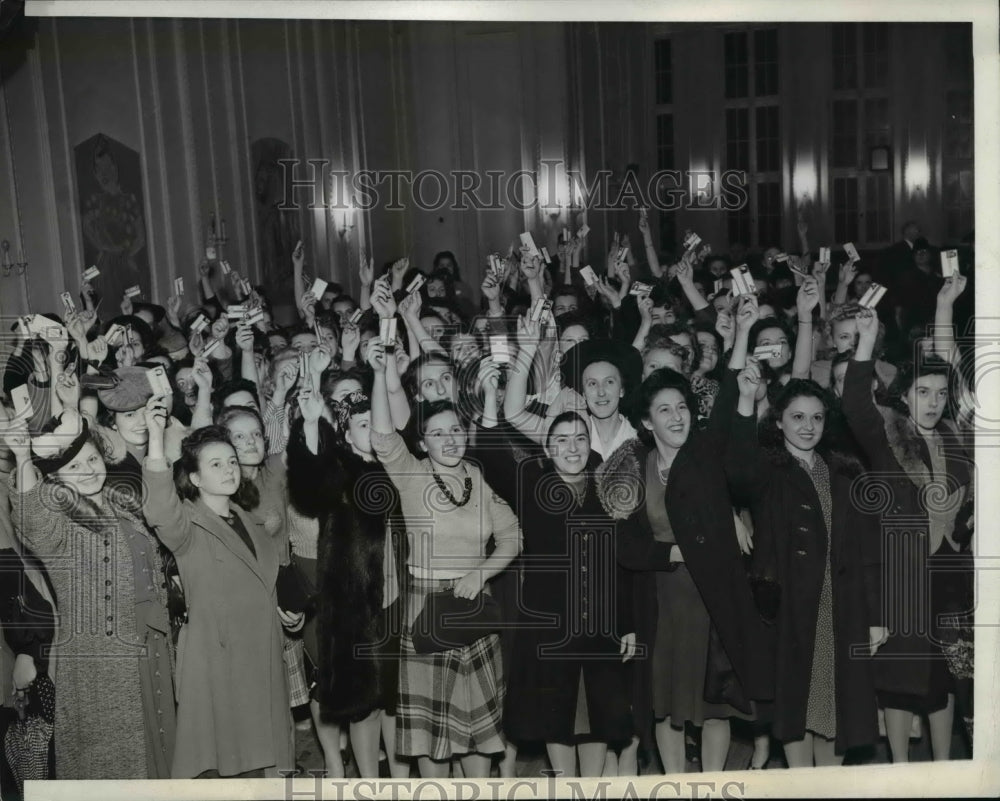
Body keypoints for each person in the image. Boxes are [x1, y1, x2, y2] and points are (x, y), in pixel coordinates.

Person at [596, 294, 774, 773]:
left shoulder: (705, 455)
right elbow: (626, 545)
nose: (677, 417)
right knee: (666, 706)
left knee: (715, 702)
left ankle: (711, 784)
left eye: (681, 407)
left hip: (711, 598)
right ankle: (675, 783)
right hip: (662, 604)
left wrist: (738, 338)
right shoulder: (634, 467)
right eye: (664, 410)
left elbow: (728, 413)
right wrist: (671, 552)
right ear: (645, 422)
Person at [368, 337, 522, 778]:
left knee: (478, 730)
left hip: (474, 606)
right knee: (431, 738)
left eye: (456, 430)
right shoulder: (412, 475)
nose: (450, 439)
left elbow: (513, 535)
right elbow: (382, 436)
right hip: (426, 609)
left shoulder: (477, 477)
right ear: (423, 442)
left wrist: (481, 572)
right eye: (438, 433)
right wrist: (381, 374)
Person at [2, 406, 176, 779]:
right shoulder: (58, 522)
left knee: (159, 746)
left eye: (92, 458)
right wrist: (21, 456)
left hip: (151, 645)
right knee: (114, 757)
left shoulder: (122, 504)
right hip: (103, 663)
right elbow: (31, 518)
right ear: (56, 479)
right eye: (75, 467)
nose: (89, 470)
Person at [726, 373, 882, 766]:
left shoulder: (842, 472)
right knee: (794, 706)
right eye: (797, 417)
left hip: (840, 607)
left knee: (833, 704)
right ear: (778, 422)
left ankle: (825, 785)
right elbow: (738, 469)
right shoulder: (768, 471)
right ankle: (801, 781)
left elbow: (866, 552)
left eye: (816, 418)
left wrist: (876, 617)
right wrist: (746, 401)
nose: (808, 427)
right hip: (790, 608)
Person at [476, 398, 636, 776]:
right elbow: (488, 449)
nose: (573, 448)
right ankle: (564, 784)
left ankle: (592, 786)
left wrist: (628, 621)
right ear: (548, 449)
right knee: (556, 711)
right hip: (549, 620)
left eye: (580, 439)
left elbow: (621, 562)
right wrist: (488, 395)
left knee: (597, 711)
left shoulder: (608, 486)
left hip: (600, 621)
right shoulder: (532, 483)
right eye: (562, 440)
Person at [840, 308, 972, 763]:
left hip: (949, 576)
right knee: (899, 679)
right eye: (922, 392)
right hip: (901, 578)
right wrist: (865, 342)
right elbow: (854, 403)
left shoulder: (955, 437)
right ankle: (898, 767)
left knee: (945, 678)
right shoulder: (887, 435)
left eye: (939, 394)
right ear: (905, 396)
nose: (932, 403)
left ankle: (941, 766)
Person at [142, 412, 303, 778]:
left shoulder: (249, 520)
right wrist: (155, 439)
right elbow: (158, 507)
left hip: (260, 654)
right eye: (216, 464)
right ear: (195, 477)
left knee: (263, 763)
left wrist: (286, 611)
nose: (229, 469)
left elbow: (263, 583)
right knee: (225, 769)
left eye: (232, 461)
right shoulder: (187, 525)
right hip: (218, 659)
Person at [285, 384, 409, 779]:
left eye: (377, 421)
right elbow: (306, 483)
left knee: (398, 700)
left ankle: (401, 785)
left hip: (401, 602)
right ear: (346, 432)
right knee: (364, 704)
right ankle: (369, 784)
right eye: (363, 423)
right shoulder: (337, 473)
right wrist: (309, 422)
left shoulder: (400, 466)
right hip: (357, 609)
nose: (373, 430)